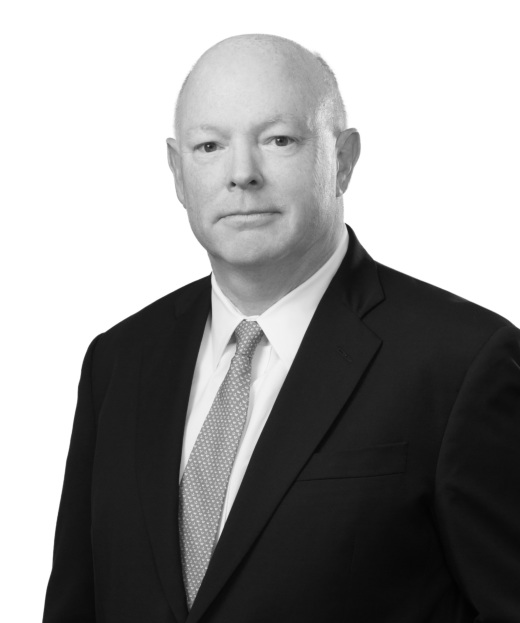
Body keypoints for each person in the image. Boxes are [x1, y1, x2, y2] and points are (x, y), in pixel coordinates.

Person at [43, 34, 520, 623]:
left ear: (342, 160)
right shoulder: (119, 361)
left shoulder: (460, 362)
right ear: (177, 172)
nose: (242, 174)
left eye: (279, 140)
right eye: (209, 146)